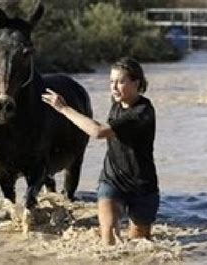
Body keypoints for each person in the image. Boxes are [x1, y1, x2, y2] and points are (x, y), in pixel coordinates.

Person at [42, 57, 159, 245]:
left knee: (140, 243)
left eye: (121, 82)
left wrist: (64, 109)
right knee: (109, 238)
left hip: (142, 185)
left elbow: (98, 131)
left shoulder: (142, 112)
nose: (114, 87)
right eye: (111, 81)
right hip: (112, 180)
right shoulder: (116, 105)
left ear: (136, 83)